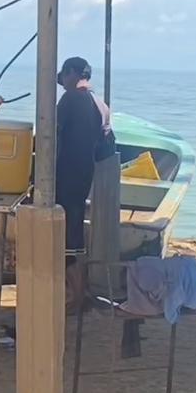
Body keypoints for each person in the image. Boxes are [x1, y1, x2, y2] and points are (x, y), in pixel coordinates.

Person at [56, 56, 116, 310]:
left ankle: (74, 296)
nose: (61, 80)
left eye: (63, 74)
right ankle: (78, 292)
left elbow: (52, 136)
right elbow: (107, 148)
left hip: (66, 175)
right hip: (84, 175)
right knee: (75, 234)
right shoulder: (100, 104)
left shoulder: (71, 98)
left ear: (72, 73)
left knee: (65, 237)